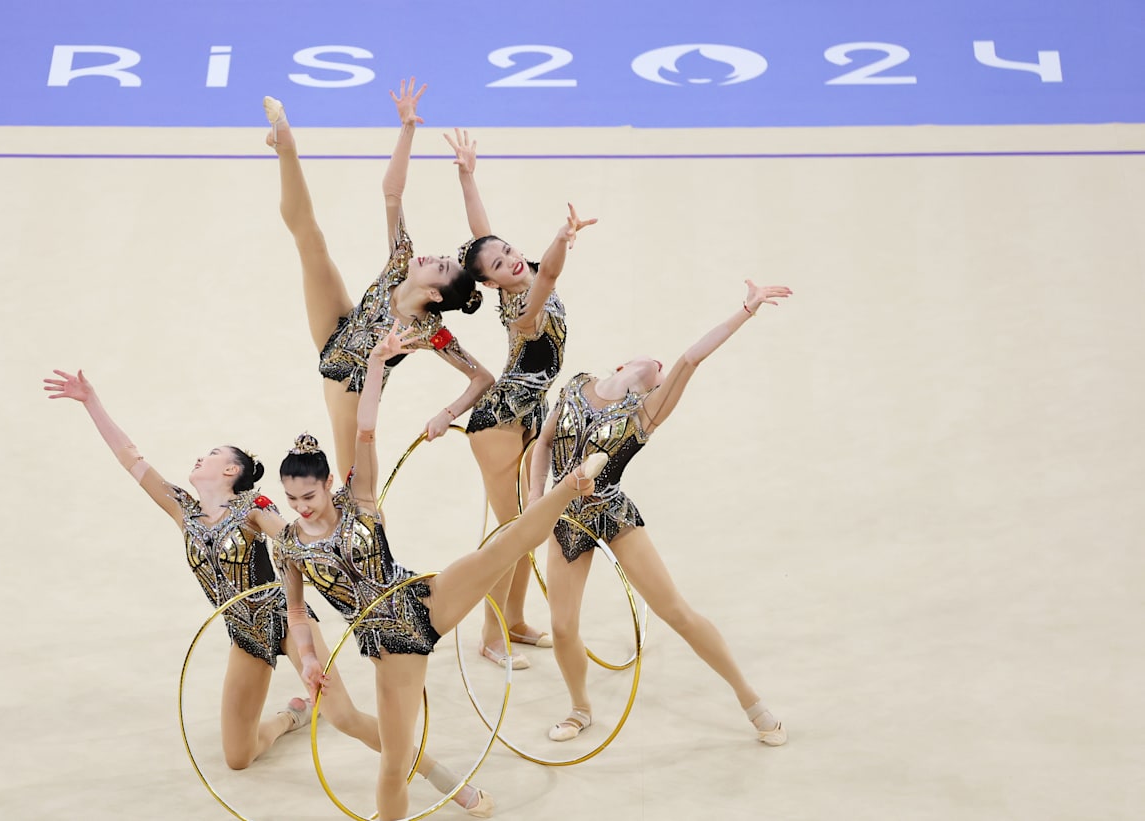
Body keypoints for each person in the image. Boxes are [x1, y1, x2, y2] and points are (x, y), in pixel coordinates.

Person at [42, 369, 495, 813]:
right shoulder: (182, 510)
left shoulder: (253, 509)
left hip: (284, 621)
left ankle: (447, 781)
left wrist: (345, 532)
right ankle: (292, 716)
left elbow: (298, 540)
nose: (200, 458)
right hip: (244, 633)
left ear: (231, 469)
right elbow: (130, 458)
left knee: (343, 717)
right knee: (238, 757)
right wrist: (90, 401)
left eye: (212, 454)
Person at [273, 328, 610, 819]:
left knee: (505, 544)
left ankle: (572, 485)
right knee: (394, 762)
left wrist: (376, 363)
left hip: (423, 598)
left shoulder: (357, 497)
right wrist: (306, 658)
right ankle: (442, 790)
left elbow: (365, 428)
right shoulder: (288, 546)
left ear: (327, 483)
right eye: (291, 499)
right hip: (389, 645)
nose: (301, 507)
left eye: (308, 495)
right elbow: (297, 613)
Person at [527, 281, 793, 746]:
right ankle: (579, 709)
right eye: (655, 363)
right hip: (563, 519)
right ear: (621, 365)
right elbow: (545, 441)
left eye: (662, 374)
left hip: (611, 513)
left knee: (675, 611)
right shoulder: (575, 385)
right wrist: (535, 498)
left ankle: (751, 700)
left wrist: (746, 310)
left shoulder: (645, 413)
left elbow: (690, 359)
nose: (660, 366)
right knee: (563, 626)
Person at [264, 81, 494, 480]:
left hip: (349, 388)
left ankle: (372, 526)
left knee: (355, 484)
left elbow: (482, 378)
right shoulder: (402, 259)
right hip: (337, 326)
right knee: (311, 241)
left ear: (434, 293)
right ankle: (286, 145)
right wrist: (407, 128)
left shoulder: (429, 331)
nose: (431, 258)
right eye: (441, 258)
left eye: (439, 267)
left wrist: (447, 414)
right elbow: (392, 191)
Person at [445, 128, 597, 670]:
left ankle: (513, 621)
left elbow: (482, 237)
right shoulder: (523, 307)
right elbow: (550, 271)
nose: (510, 260)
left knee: (525, 531)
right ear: (489, 285)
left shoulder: (512, 267)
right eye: (498, 265)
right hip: (498, 422)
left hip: (529, 416)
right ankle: (490, 637)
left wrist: (468, 176)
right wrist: (562, 236)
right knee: (513, 536)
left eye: (509, 251)